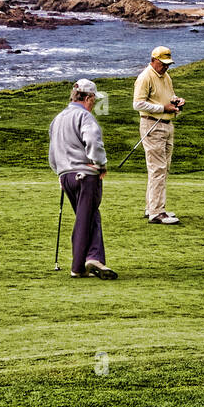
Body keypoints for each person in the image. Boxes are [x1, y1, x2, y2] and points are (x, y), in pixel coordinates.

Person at [48, 78, 117, 280]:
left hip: (66, 176)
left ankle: (94, 257)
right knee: (84, 219)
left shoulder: (58, 118)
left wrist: (60, 173)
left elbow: (53, 153)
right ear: (88, 98)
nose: (94, 103)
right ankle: (78, 266)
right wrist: (100, 164)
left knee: (90, 215)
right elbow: (93, 141)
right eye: (93, 99)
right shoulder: (84, 117)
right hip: (85, 175)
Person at [133, 46, 184, 225]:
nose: (166, 67)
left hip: (167, 124)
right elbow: (138, 104)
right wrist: (162, 108)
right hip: (152, 125)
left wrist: (176, 100)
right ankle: (156, 212)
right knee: (157, 169)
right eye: (163, 64)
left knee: (162, 168)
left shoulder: (166, 76)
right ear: (154, 60)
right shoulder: (145, 77)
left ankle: (152, 207)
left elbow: (167, 96)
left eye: (168, 64)